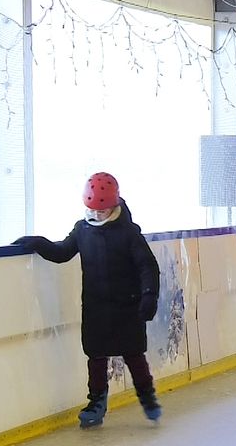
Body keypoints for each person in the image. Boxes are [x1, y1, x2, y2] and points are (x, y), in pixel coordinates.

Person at [13, 172, 161, 428]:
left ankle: (147, 397)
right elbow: (62, 252)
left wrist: (149, 297)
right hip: (96, 307)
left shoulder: (129, 234)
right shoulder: (83, 230)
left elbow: (147, 267)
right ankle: (96, 403)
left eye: (102, 211)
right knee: (96, 357)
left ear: (114, 206)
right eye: (93, 210)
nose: (97, 215)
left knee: (134, 355)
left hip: (128, 306)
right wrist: (38, 242)